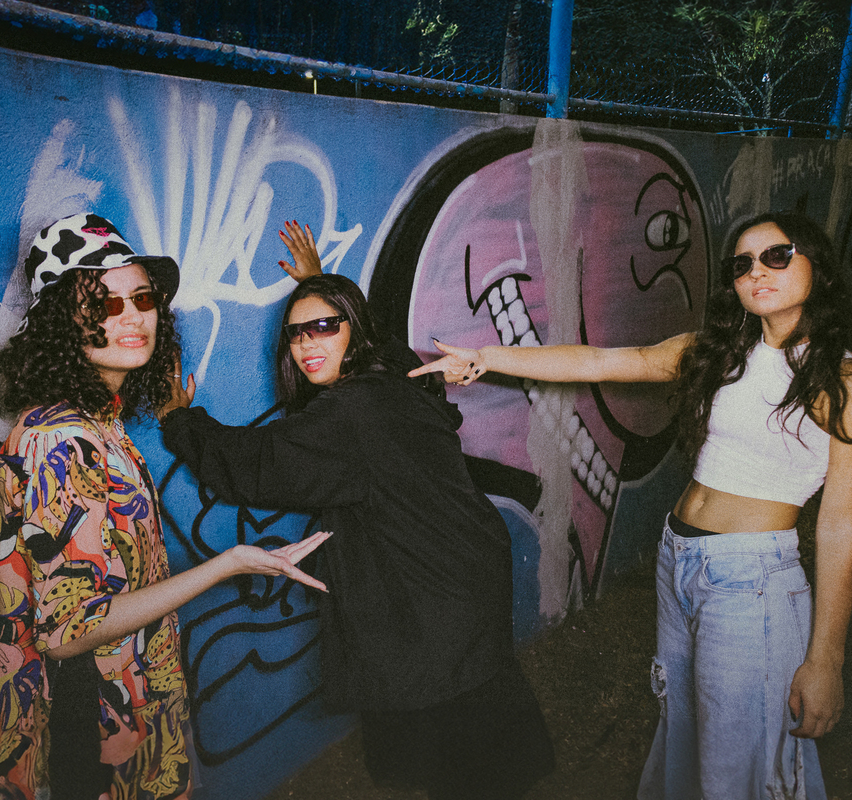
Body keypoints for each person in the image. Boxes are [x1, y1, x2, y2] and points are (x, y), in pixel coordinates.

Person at [409, 211, 852, 799]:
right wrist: (486, 356)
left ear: (819, 266)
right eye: (742, 264)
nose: (756, 272)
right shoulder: (715, 354)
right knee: (683, 733)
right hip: (678, 559)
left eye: (777, 256)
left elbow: (841, 525)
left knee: (741, 760)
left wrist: (826, 660)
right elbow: (599, 362)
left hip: (754, 579)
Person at [158, 272, 556, 800]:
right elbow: (378, 348)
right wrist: (320, 283)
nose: (307, 343)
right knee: (477, 717)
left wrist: (180, 420)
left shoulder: (351, 412)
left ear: (354, 329)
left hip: (435, 599)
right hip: (464, 574)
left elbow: (256, 463)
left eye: (325, 326)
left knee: (463, 749)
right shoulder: (393, 377)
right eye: (296, 333)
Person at [0, 213, 329, 800]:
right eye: (103, 303)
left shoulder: (100, 423)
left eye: (141, 298)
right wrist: (230, 563)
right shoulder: (60, 440)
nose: (132, 316)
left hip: (128, 709)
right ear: (63, 324)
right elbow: (69, 633)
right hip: (90, 733)